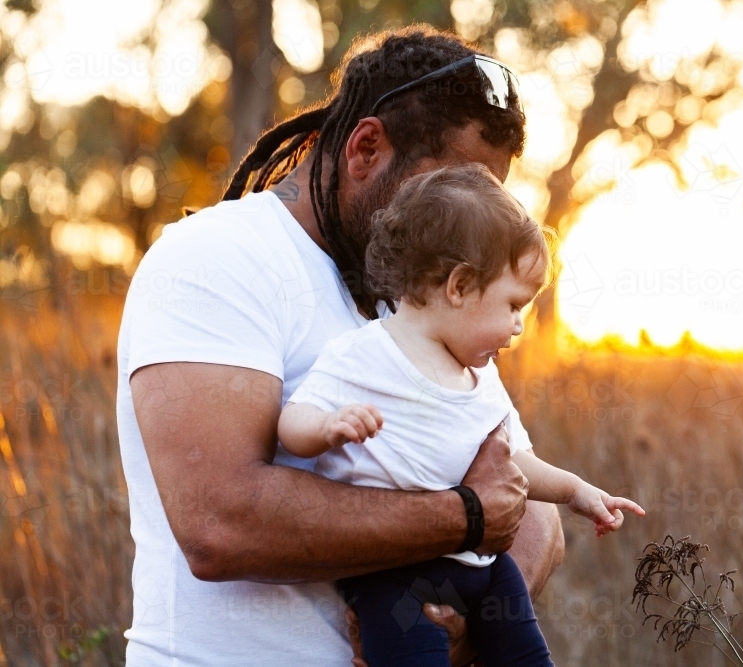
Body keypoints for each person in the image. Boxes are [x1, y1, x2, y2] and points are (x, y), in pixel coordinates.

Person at [118, 27, 564, 667]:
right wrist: (464, 517)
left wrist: (467, 626)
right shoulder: (216, 259)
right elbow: (220, 523)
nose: (467, 222)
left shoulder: (424, 292)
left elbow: (526, 506)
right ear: (366, 148)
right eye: (448, 189)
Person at [277, 165, 645, 666]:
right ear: (460, 286)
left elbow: (517, 463)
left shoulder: (481, 378)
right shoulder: (363, 355)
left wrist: (578, 491)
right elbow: (291, 421)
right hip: (397, 575)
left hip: (489, 568)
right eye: (514, 305)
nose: (519, 326)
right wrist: (325, 428)